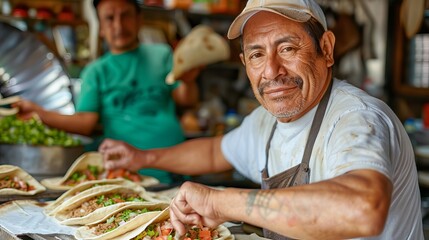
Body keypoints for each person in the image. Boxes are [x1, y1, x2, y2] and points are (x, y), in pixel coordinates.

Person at [98, 0, 424, 239]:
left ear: (326, 49)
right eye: (256, 55)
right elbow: (214, 152)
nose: (271, 71)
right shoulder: (265, 122)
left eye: (287, 49)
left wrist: (220, 201)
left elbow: (363, 209)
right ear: (244, 62)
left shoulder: (357, 118)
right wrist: (142, 158)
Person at [13, 0, 201, 184]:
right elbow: (85, 123)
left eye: (125, 15)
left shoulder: (162, 54)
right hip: (130, 175)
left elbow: (186, 100)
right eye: (110, 18)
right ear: (101, 28)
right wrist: (40, 114)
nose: (118, 25)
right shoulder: (96, 72)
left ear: (138, 19)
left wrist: (189, 80)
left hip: (177, 165)